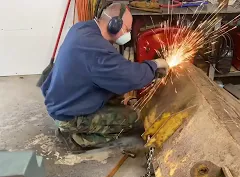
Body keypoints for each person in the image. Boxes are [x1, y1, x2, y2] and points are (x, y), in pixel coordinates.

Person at [41, 3, 169, 153]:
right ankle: (79, 138)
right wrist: (154, 65)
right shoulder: (96, 48)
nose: (127, 34)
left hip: (61, 101)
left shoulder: (83, 28)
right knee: (134, 118)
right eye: (127, 29)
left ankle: (77, 125)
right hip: (68, 115)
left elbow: (111, 73)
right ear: (115, 24)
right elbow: (128, 76)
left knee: (118, 97)